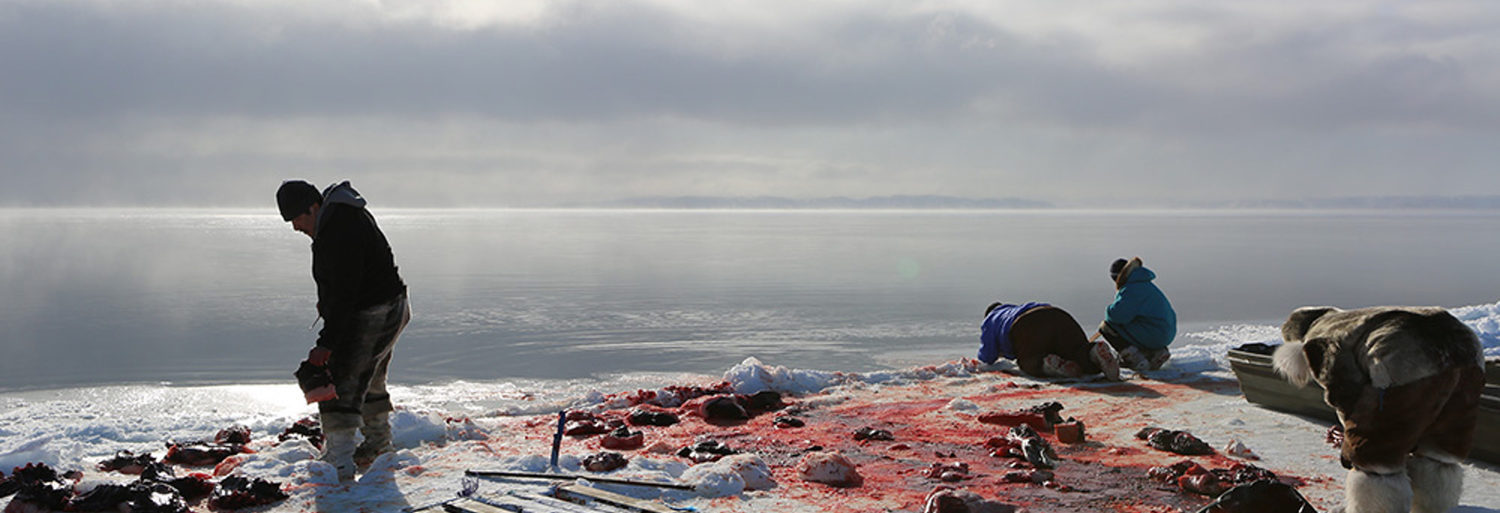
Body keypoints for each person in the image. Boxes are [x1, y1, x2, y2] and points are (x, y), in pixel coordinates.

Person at [1273, 306, 1484, 513]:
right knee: (1440, 448)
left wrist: (1354, 443)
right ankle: (1437, 507)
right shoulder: (1353, 320)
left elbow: (1346, 392)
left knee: (1376, 459)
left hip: (1406, 358)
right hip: (1468, 352)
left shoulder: (1317, 339)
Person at [277, 180, 410, 482]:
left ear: (314, 206)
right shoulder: (339, 218)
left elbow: (346, 291)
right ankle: (377, 445)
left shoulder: (339, 228)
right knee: (370, 376)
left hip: (375, 310)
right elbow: (344, 284)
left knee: (340, 378)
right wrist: (329, 303)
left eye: (298, 218)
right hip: (391, 305)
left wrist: (326, 343)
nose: (296, 227)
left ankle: (339, 460)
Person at [978, 301, 1121, 381]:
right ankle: (1093, 352)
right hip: (1059, 315)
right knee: (1076, 351)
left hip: (1028, 324)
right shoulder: (1018, 308)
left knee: (1028, 361)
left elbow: (987, 356)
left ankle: (1047, 363)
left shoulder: (991, 319)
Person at [1097, 257, 1176, 371]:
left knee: (1107, 327)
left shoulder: (1131, 289)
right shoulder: (1145, 284)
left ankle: (1135, 359)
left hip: (1155, 335)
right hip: (1165, 332)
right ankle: (1155, 352)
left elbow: (1117, 316)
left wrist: (1109, 309)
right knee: (1135, 323)